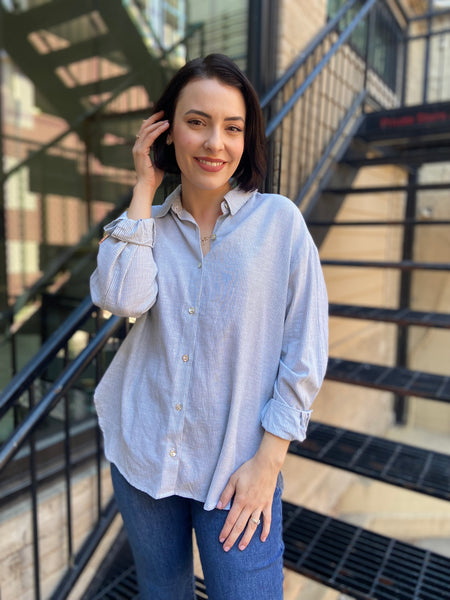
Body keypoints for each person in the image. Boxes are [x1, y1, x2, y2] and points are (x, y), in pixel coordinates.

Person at [90, 53, 328, 600]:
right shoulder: (145, 227)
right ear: (167, 131)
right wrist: (144, 189)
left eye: (233, 127)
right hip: (144, 454)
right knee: (161, 590)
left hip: (237, 471)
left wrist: (269, 462)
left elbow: (305, 352)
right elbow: (120, 299)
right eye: (196, 122)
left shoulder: (280, 224)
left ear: (247, 139)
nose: (214, 143)